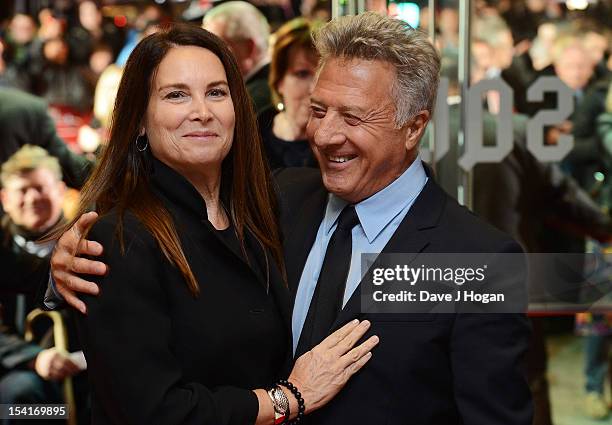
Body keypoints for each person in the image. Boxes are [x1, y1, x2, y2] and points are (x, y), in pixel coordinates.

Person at [51, 13, 532, 424]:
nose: (324, 135)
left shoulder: (478, 259)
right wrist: (62, 268)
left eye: (353, 117)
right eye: (318, 110)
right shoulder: (277, 200)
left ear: (414, 127)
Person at [46, 24, 377, 425]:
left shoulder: (268, 209)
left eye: (216, 92)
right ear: (138, 120)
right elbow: (151, 412)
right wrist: (288, 398)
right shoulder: (120, 239)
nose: (202, 111)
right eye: (176, 95)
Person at [0, 146, 82, 423]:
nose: (33, 198)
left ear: (60, 191)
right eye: (22, 190)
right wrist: (36, 358)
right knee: (17, 404)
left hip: (89, 369)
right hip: (23, 373)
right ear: (5, 199)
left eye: (41, 188)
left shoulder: (92, 241)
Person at [258, 18, 319, 169]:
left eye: (322, 75)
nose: (313, 88)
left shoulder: (340, 143)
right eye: (302, 74)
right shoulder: (252, 137)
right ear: (279, 81)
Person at [203, 1, 273, 115]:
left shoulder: (251, 101)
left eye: (217, 46)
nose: (207, 55)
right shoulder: (273, 84)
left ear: (249, 48)